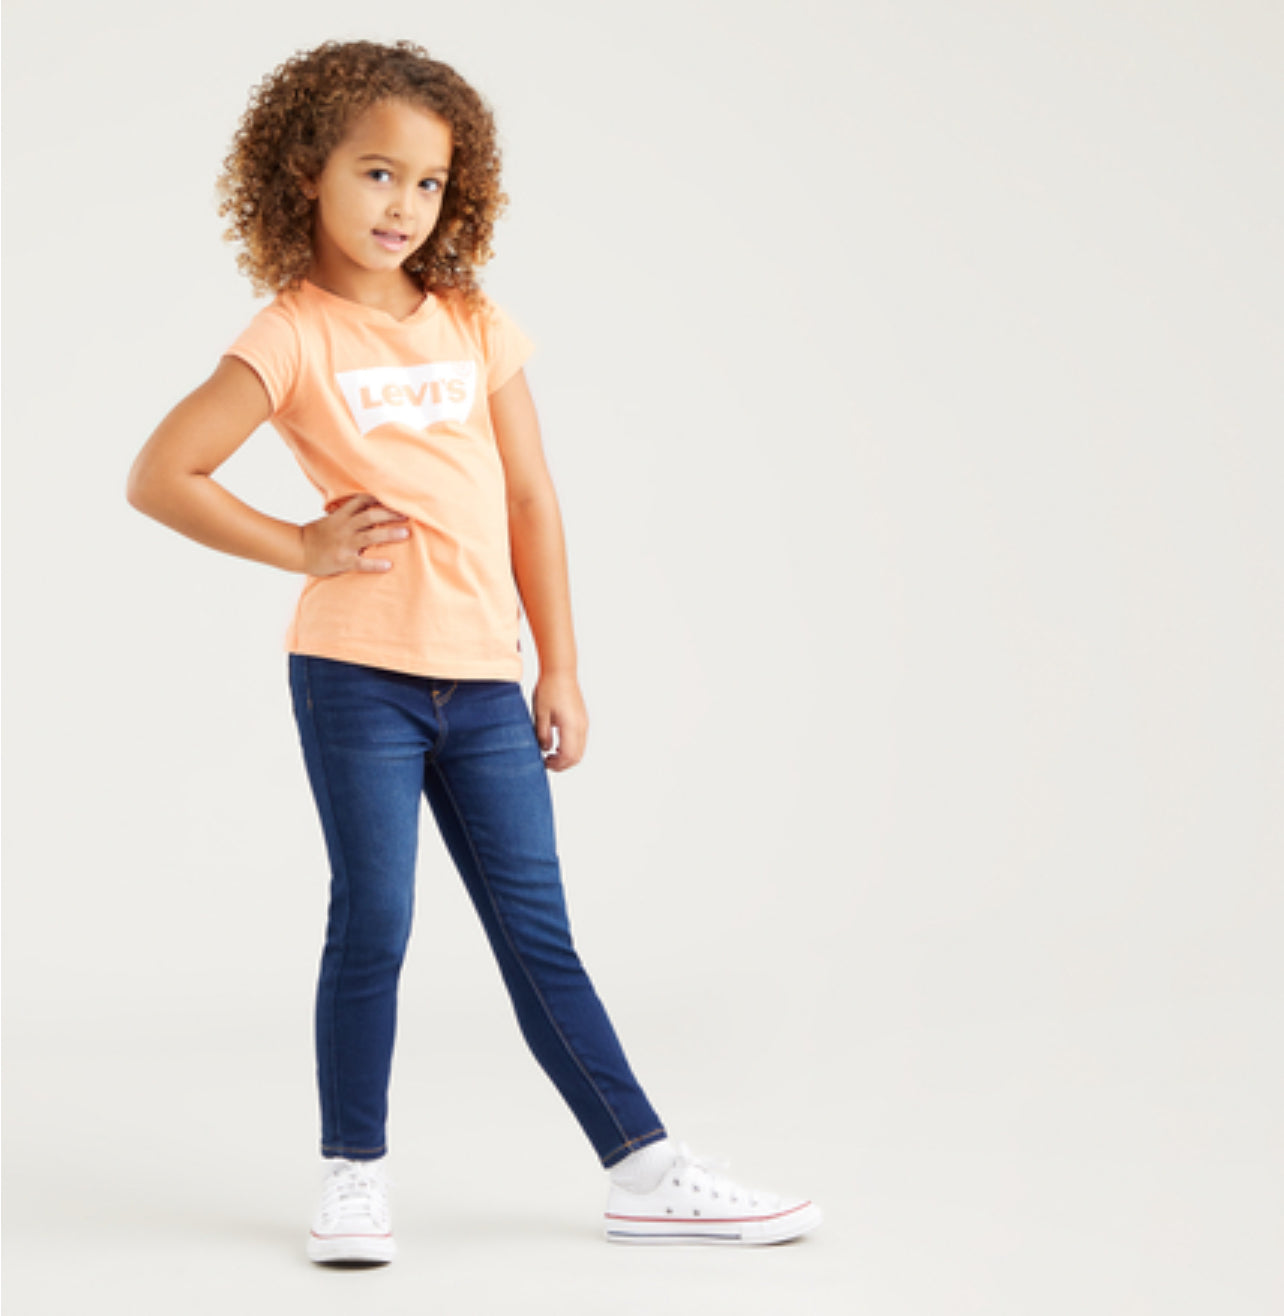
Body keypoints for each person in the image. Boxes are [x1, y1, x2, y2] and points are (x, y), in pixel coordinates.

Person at [126, 37, 821, 1264]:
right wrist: (300, 545)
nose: (403, 204)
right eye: (376, 173)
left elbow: (532, 498)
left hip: (487, 678)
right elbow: (160, 473)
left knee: (536, 931)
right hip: (356, 674)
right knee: (376, 918)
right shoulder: (290, 334)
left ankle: (646, 1169)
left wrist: (561, 665)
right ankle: (353, 1174)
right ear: (306, 171)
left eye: (429, 182)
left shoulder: (470, 321)